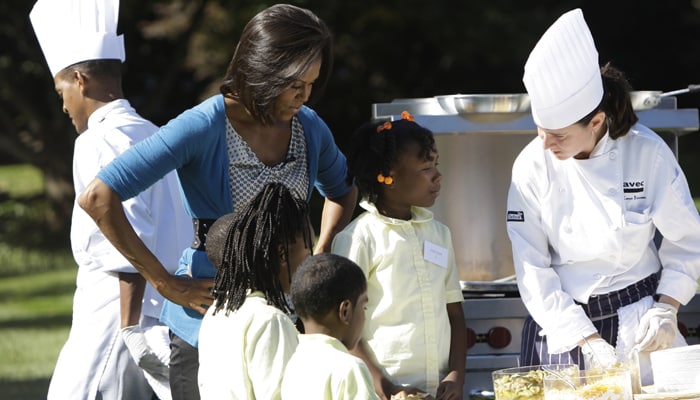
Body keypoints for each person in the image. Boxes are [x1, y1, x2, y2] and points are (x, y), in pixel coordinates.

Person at [77, 4, 357, 399]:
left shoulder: (308, 126)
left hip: (293, 326)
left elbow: (343, 190)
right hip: (208, 329)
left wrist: (319, 252)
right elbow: (98, 197)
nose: (304, 97)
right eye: (296, 85)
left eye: (311, 84)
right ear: (262, 69)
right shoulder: (203, 125)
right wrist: (166, 283)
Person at [506, 8, 700, 384]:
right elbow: (532, 268)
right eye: (540, 130)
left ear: (596, 122)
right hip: (560, 326)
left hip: (639, 319)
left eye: (558, 135)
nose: (544, 145)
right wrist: (587, 340)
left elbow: (688, 241)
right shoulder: (530, 166)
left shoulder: (647, 153)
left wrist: (666, 308)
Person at [29, 0, 192, 399]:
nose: (63, 105)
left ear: (80, 80)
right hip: (162, 319)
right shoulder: (154, 132)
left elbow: (128, 230)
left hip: (116, 320)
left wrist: (127, 329)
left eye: (61, 90)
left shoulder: (96, 140)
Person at [332, 112, 466, 400]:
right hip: (379, 392)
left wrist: (455, 375)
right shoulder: (358, 238)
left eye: (437, 165)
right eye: (426, 168)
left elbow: (454, 314)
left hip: (436, 391)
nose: (438, 175)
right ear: (388, 177)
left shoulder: (440, 234)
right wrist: (388, 388)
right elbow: (341, 327)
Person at [197, 182, 312, 399]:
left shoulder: (217, 312)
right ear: (282, 254)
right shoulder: (271, 320)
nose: (309, 264)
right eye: (307, 254)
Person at [281, 253, 378, 400]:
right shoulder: (350, 368)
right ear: (345, 311)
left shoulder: (294, 365)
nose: (364, 316)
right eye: (364, 307)